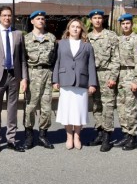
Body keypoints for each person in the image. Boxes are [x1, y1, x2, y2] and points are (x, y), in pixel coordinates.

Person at [0, 6, 28, 153]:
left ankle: (11, 139)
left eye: (9, 15)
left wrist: (24, 78)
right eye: (4, 15)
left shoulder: (18, 34)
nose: (7, 18)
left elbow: (22, 59)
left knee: (12, 110)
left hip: (14, 76)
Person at [52, 18, 97, 150]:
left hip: (81, 82)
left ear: (81, 29)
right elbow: (57, 62)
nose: (75, 29)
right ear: (68, 29)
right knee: (67, 110)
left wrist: (92, 83)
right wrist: (55, 80)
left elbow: (91, 65)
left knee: (79, 111)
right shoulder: (61, 44)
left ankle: (77, 136)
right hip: (65, 81)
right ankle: (69, 136)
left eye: (78, 27)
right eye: (73, 26)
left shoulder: (87, 45)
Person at [23, 10, 57, 149]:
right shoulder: (26, 39)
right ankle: (29, 136)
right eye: (38, 18)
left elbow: (55, 59)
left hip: (47, 73)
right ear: (32, 21)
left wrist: (55, 77)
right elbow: (23, 60)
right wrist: (24, 78)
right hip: (33, 73)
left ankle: (43, 135)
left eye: (43, 18)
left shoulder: (51, 38)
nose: (41, 20)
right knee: (30, 107)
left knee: (46, 107)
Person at [87, 9, 120, 152]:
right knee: (96, 105)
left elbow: (116, 58)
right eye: (94, 18)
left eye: (100, 18)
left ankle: (107, 136)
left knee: (107, 106)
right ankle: (99, 132)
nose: (97, 20)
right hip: (93, 75)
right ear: (90, 20)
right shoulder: (86, 37)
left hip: (107, 74)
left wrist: (113, 77)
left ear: (103, 20)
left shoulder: (111, 36)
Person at [114, 13, 137, 151]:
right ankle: (125, 134)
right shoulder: (119, 39)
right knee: (121, 108)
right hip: (121, 75)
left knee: (130, 109)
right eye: (123, 24)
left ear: (132, 24)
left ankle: (132, 137)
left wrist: (136, 80)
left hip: (131, 74)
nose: (125, 26)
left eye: (127, 23)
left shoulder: (136, 39)